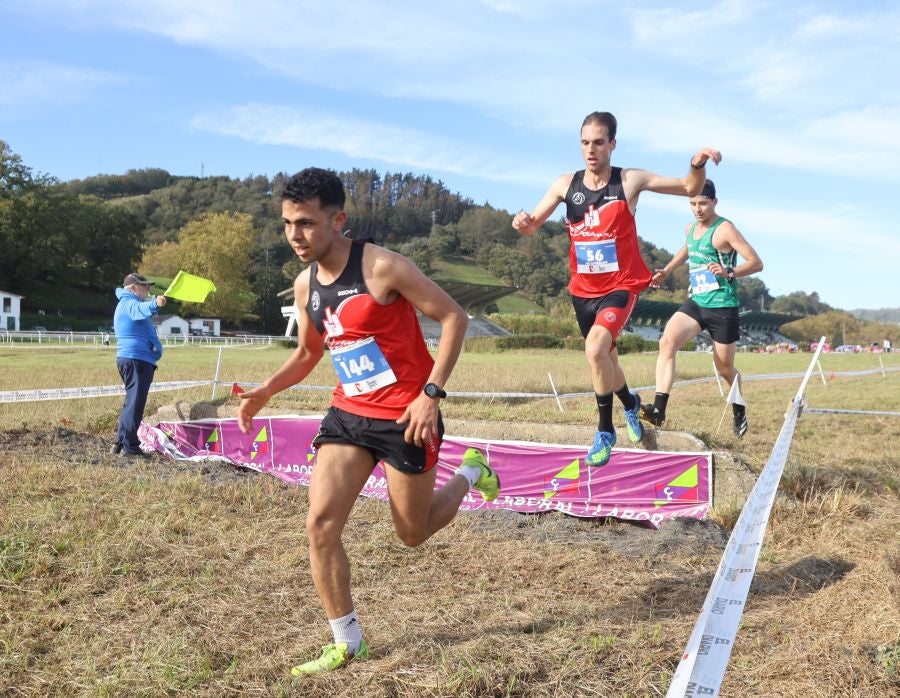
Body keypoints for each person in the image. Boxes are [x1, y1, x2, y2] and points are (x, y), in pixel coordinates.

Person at [236, 167, 500, 675]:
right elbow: (309, 352)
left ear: (338, 220)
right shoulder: (304, 283)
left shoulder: (383, 267)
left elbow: (453, 318)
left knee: (412, 533)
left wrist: (431, 395)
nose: (296, 235)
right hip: (348, 417)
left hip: (407, 418)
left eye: (308, 223)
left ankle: (471, 472)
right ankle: (346, 641)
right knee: (320, 525)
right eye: (289, 223)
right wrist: (265, 391)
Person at [512, 111, 721, 466]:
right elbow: (532, 227)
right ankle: (632, 403)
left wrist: (696, 164)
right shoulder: (565, 185)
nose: (590, 150)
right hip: (582, 290)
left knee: (596, 349)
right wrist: (523, 223)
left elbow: (689, 187)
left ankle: (605, 429)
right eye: (584, 143)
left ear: (612, 144)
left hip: (621, 286)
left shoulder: (629, 181)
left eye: (598, 142)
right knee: (606, 359)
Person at [640, 180, 763, 437]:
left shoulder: (725, 229)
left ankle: (738, 406)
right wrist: (667, 270)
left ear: (715, 202)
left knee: (724, 367)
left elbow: (756, 263)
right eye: (693, 203)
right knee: (667, 342)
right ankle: (659, 410)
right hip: (696, 302)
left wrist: (730, 271)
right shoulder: (690, 228)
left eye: (703, 203)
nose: (698, 209)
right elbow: (688, 249)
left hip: (722, 306)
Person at [111, 273, 167, 456]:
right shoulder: (128, 303)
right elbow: (140, 309)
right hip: (137, 360)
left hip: (135, 359)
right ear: (133, 288)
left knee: (131, 403)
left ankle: (120, 442)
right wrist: (154, 304)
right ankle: (130, 447)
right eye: (144, 286)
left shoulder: (127, 303)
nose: (147, 289)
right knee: (135, 404)